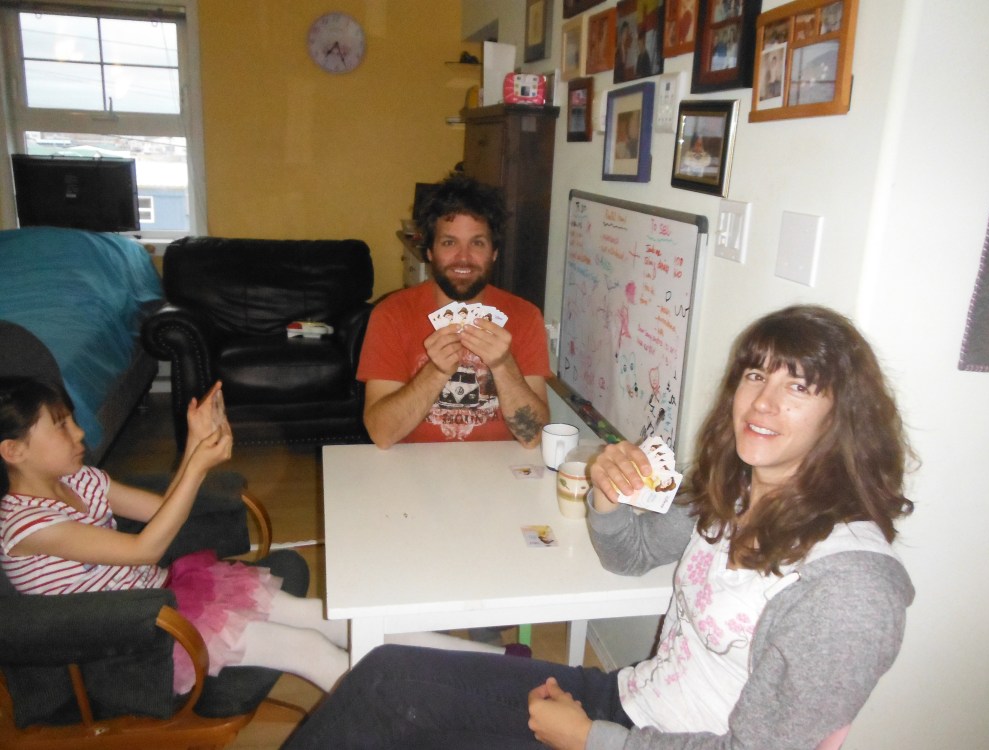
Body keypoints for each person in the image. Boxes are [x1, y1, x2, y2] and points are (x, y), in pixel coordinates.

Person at [281, 305, 916, 749]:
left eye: (799, 387)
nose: (764, 402)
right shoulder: (738, 488)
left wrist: (590, 739)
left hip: (634, 737)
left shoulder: (850, 591)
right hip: (626, 703)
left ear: (844, 417)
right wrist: (607, 499)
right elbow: (631, 556)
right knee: (387, 678)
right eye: (756, 375)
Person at [0, 379, 502, 698]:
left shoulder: (84, 480)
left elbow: (162, 513)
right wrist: (195, 464)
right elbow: (144, 547)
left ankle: (497, 668)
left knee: (326, 615)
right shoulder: (25, 525)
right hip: (132, 636)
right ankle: (418, 723)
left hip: (171, 596)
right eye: (61, 426)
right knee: (311, 650)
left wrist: (195, 449)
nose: (79, 432)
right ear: (13, 450)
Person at [357, 173, 551, 448]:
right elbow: (381, 434)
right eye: (449, 242)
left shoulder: (525, 316)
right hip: (413, 472)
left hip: (497, 474)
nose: (463, 257)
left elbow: (535, 437)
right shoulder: (391, 314)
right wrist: (435, 372)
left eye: (477, 243)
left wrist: (502, 365)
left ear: (494, 252)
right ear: (429, 252)